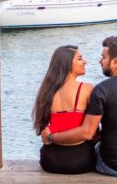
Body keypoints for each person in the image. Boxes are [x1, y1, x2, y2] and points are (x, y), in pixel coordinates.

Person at [42, 35, 117, 177]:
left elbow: (88, 132)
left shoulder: (101, 90)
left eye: (103, 57)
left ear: (115, 62)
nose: (100, 61)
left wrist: (52, 138)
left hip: (113, 167)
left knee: (98, 147)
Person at [33, 45, 96, 174]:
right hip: (82, 160)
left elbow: (45, 137)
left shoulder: (45, 93)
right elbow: (93, 131)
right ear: (67, 65)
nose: (85, 61)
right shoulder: (87, 89)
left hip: (50, 161)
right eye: (80, 58)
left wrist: (53, 137)